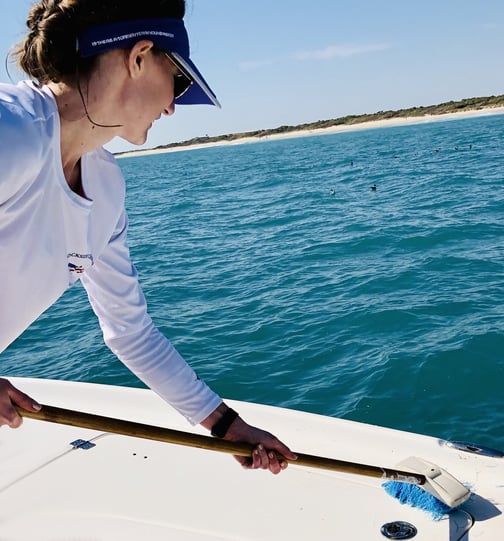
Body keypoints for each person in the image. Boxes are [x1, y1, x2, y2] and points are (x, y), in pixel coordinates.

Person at [0, 0, 296, 474]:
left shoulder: (106, 187)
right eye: (177, 79)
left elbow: (131, 332)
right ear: (137, 58)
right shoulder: (11, 129)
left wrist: (226, 425)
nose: (173, 106)